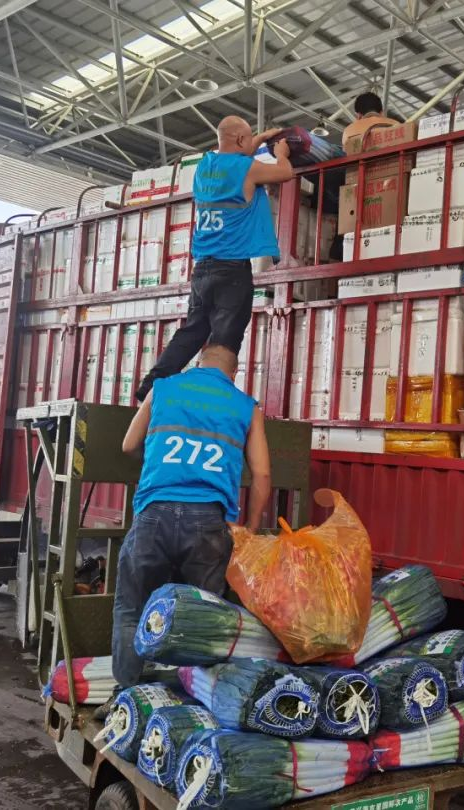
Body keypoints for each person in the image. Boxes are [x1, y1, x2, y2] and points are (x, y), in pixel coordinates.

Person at [111, 342, 272, 688]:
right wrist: (251, 530)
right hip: (209, 524)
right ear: (234, 372)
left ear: (198, 363)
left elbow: (126, 444)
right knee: (204, 619)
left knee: (131, 609)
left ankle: (125, 694)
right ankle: (193, 698)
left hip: (153, 514)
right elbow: (261, 476)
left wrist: (163, 461)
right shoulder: (246, 407)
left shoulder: (163, 388)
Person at [134, 116, 293, 403]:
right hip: (232, 269)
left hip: (203, 268)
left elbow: (236, 150)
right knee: (226, 339)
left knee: (193, 331)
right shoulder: (247, 169)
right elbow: (284, 172)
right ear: (242, 142)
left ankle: (151, 386)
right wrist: (281, 153)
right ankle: (213, 398)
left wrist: (261, 137)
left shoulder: (205, 166)